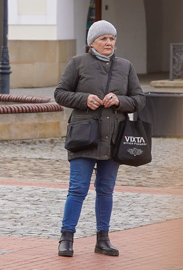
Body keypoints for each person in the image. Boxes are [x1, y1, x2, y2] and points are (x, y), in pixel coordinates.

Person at [53, 20, 145, 257]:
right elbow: (60, 93)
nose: (108, 43)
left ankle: (102, 240)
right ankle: (67, 238)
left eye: (112, 38)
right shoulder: (78, 63)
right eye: (103, 38)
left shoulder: (125, 66)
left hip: (113, 138)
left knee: (106, 190)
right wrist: (84, 99)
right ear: (92, 42)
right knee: (78, 189)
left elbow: (139, 99)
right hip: (84, 137)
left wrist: (120, 101)